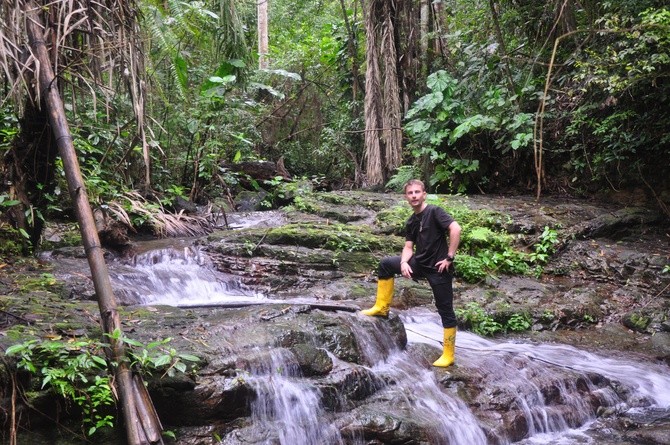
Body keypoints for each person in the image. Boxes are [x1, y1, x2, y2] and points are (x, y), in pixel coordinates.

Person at [361, 179, 462, 367]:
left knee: (445, 309)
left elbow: (455, 228)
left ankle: (448, 354)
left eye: (417, 192)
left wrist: (449, 257)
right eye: (410, 193)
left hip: (439, 268)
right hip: (419, 263)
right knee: (385, 265)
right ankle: (381, 307)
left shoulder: (434, 212)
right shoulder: (412, 221)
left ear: (424, 194)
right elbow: (408, 246)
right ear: (406, 197)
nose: (414, 195)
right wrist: (404, 262)